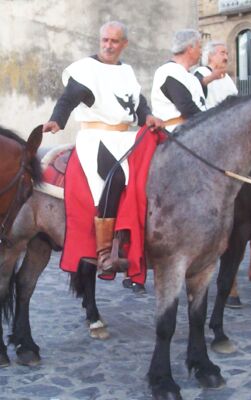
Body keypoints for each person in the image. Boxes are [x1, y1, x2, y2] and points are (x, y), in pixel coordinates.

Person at [43, 21, 162, 291]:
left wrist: (148, 116)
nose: (108, 45)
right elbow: (68, 98)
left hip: (126, 137)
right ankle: (105, 251)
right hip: (96, 137)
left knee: (153, 173)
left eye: (114, 41)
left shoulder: (127, 72)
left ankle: (142, 241)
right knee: (116, 176)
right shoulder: (86, 70)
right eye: (105, 40)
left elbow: (138, 103)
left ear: (124, 44)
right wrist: (56, 121)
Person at [151, 29, 207, 131]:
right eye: (199, 47)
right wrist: (211, 123)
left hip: (194, 132)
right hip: (176, 135)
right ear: (190, 48)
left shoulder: (189, 75)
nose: (201, 52)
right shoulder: (168, 71)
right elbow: (187, 108)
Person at [194, 40, 238, 108]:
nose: (226, 58)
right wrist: (212, 77)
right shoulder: (201, 72)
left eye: (227, 54)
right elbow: (196, 88)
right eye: (222, 53)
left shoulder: (226, 77)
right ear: (210, 56)